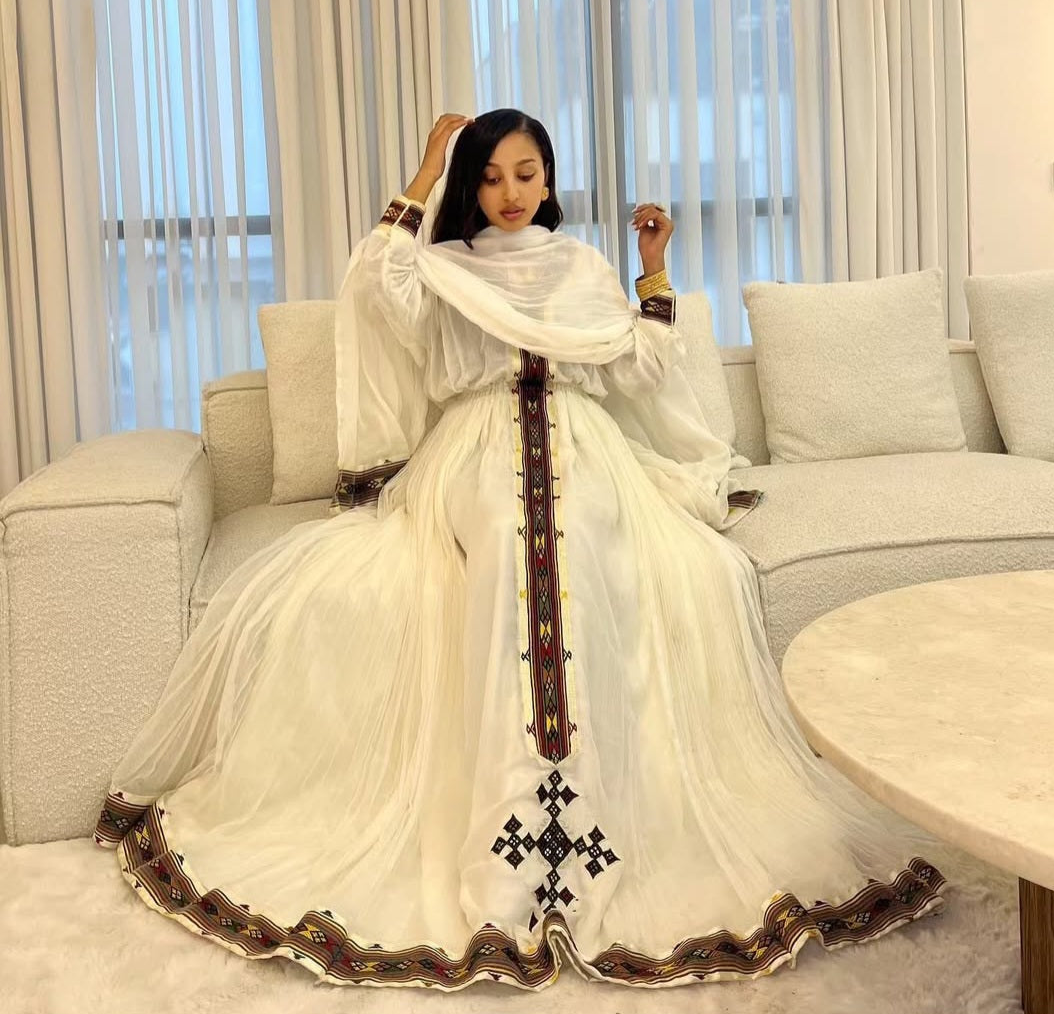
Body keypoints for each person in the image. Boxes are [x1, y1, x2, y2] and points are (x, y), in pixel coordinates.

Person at [95, 109, 945, 990]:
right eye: (492, 175)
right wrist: (424, 170)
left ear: (549, 180)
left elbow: (640, 368)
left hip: (587, 448)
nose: (510, 193)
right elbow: (374, 279)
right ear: (473, 184)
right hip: (470, 452)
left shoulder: (581, 266)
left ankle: (596, 831)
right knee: (507, 548)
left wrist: (653, 269)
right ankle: (509, 853)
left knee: (606, 554)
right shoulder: (442, 267)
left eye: (526, 174)